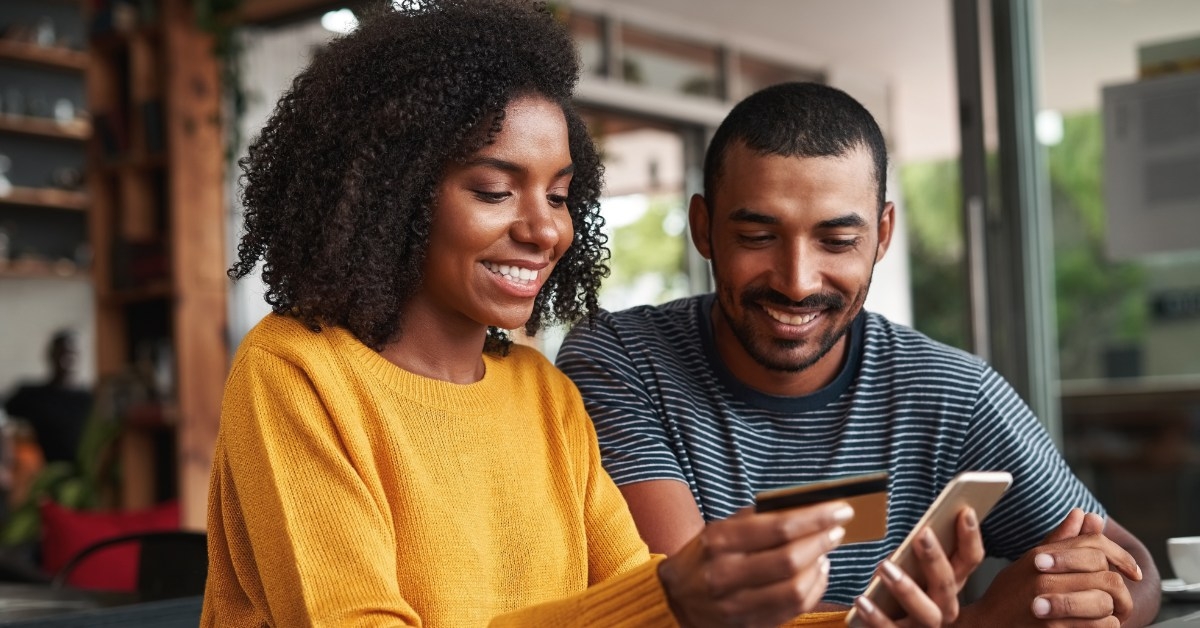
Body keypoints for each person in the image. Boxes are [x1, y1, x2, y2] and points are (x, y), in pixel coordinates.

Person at [202, 4, 978, 627]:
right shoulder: (298, 372)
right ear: (394, 195)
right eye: (495, 190)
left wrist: (862, 624)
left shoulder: (542, 394)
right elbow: (650, 605)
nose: (544, 229)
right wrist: (672, 599)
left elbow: (640, 598)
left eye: (561, 194)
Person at [556, 81, 1160, 626]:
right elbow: (699, 609)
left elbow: (1134, 569)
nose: (797, 280)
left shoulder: (950, 393)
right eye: (757, 236)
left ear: (884, 235)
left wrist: (1068, 602)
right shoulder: (620, 362)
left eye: (838, 240)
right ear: (704, 228)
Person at [3, 330, 92, 465]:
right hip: (45, 473)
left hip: (85, 473)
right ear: (51, 355)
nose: (67, 358)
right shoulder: (31, 396)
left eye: (72, 353)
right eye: (61, 352)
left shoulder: (90, 399)